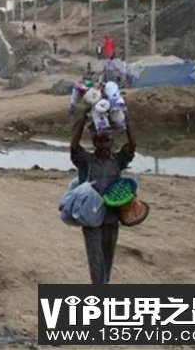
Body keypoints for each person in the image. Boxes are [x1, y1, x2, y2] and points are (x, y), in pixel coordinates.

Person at [70, 112, 136, 285]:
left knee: (108, 256)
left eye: (106, 140)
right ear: (94, 143)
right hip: (91, 217)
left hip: (112, 216)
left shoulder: (117, 161)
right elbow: (74, 147)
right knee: (96, 258)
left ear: (112, 142)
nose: (103, 144)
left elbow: (132, 146)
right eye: (100, 141)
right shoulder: (87, 161)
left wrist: (125, 122)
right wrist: (82, 119)